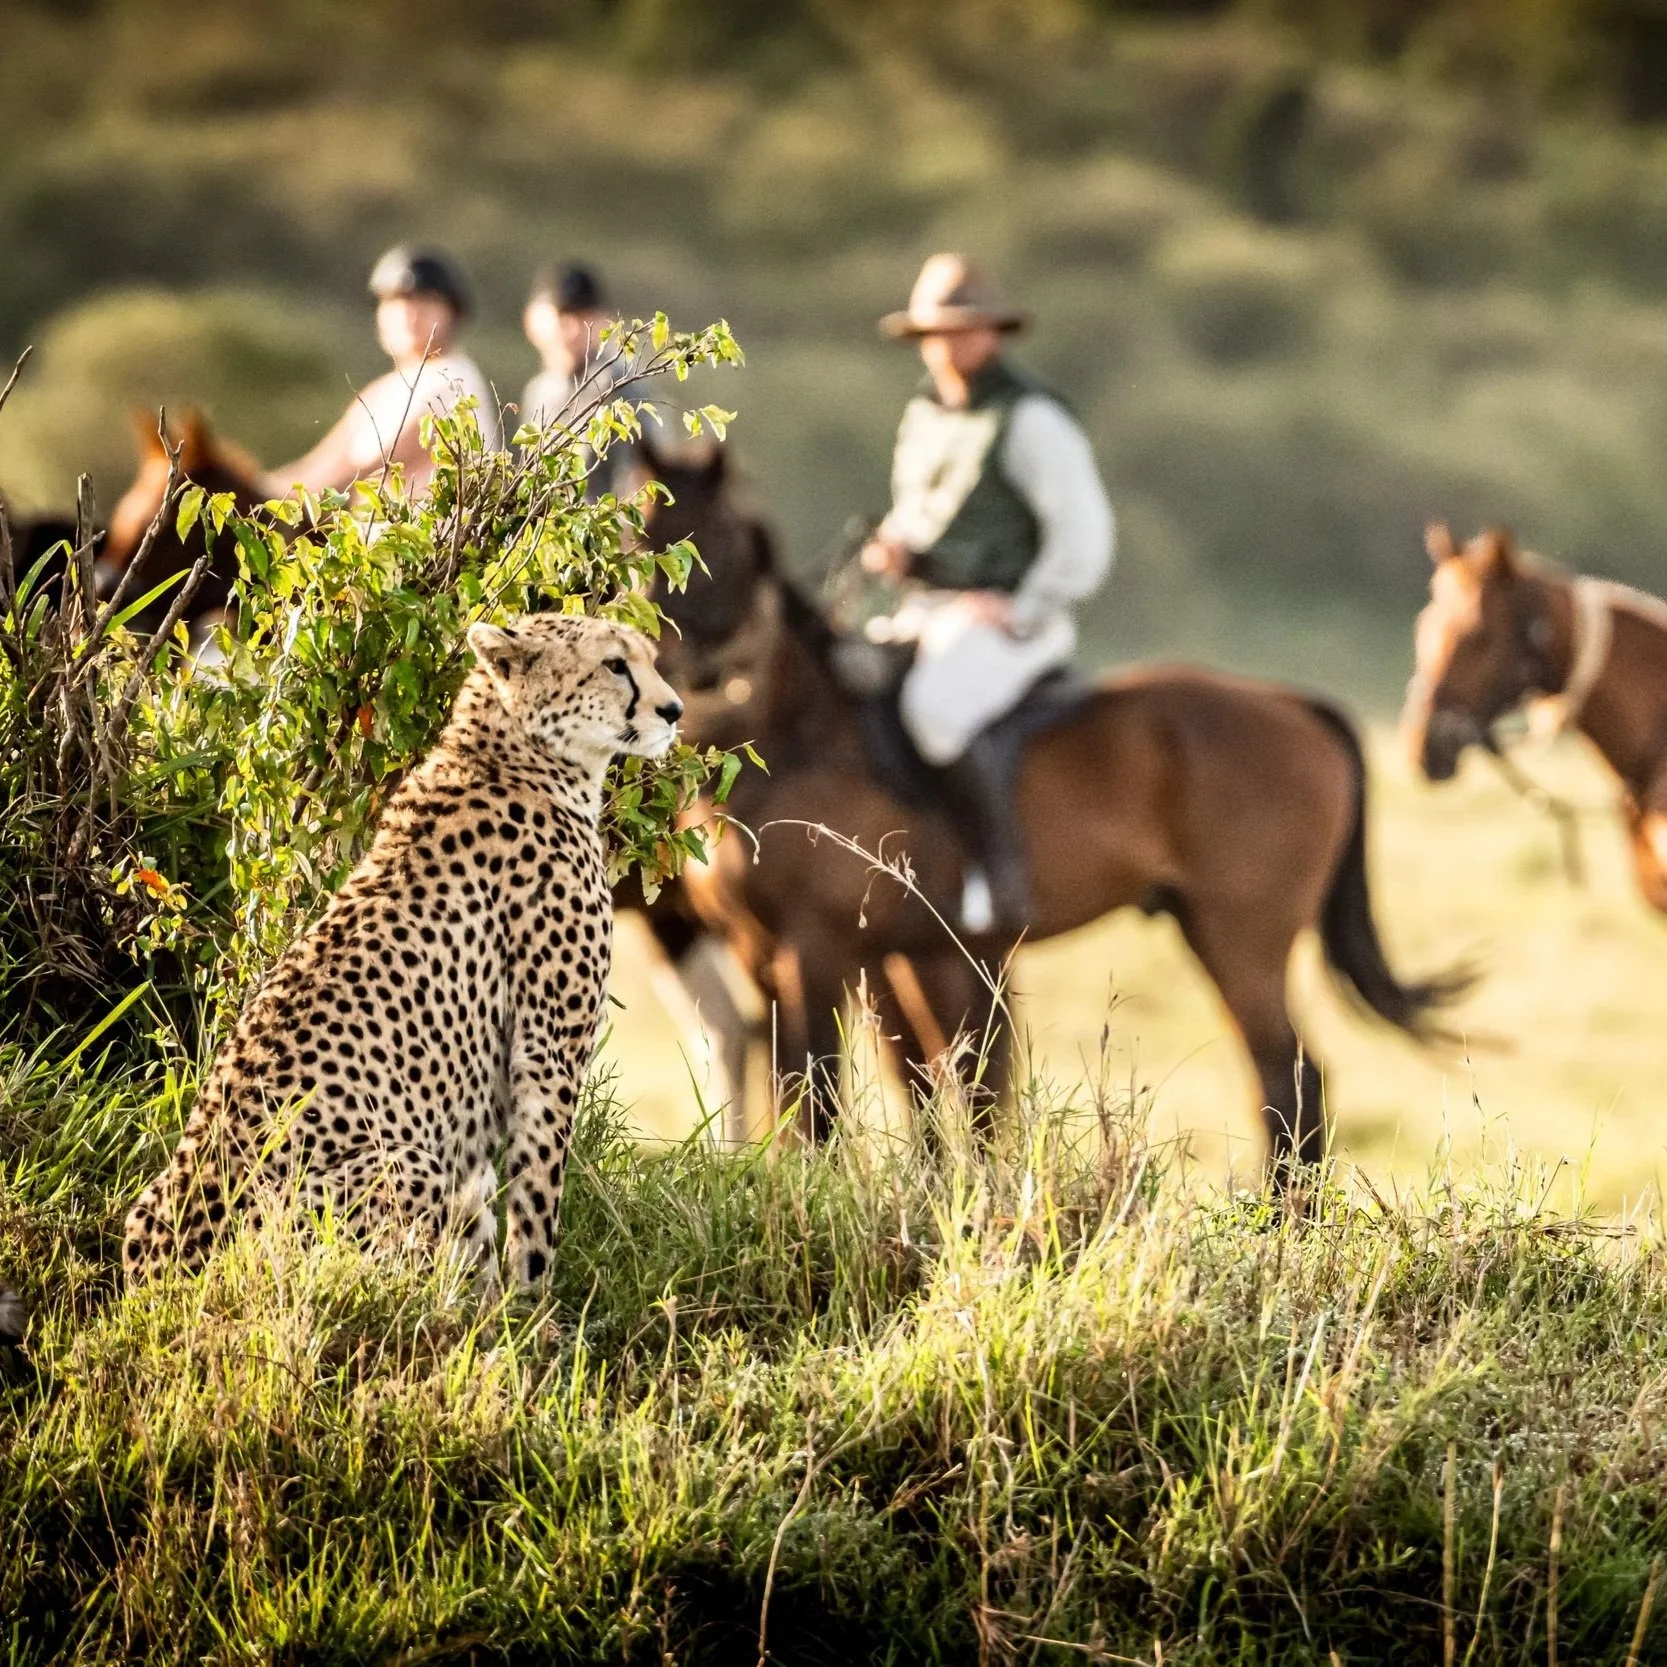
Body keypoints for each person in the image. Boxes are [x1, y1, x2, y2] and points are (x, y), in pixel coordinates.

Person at [862, 252, 1114, 934]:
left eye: (965, 329)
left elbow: (1083, 534)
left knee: (931, 708)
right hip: (928, 609)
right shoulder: (921, 415)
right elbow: (919, 512)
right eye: (939, 331)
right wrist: (894, 547)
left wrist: (1021, 606)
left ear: (993, 333)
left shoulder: (1033, 419)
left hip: (1008, 617)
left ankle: (994, 870)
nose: (951, 344)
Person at [264, 246, 499, 499]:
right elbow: (322, 463)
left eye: (425, 301)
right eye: (396, 302)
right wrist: (257, 491)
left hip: (437, 537)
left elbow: (365, 466)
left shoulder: (452, 380)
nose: (410, 314)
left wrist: (280, 501)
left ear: (454, 313)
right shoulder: (385, 389)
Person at [519, 262, 634, 496]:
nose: (572, 329)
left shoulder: (616, 382)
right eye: (562, 315)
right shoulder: (538, 390)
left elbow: (636, 478)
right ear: (532, 321)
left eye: (583, 316)